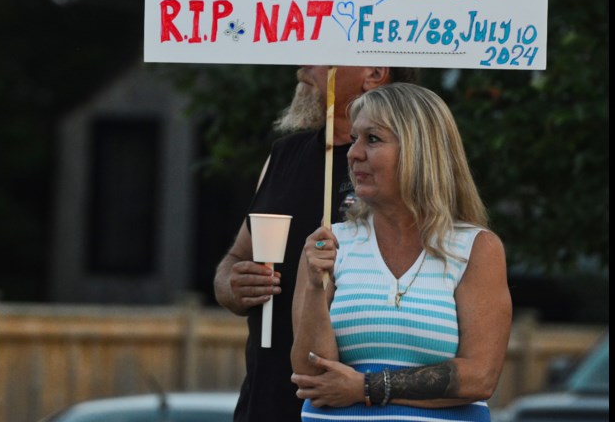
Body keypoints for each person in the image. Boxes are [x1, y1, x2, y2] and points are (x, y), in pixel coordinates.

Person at [290, 83, 512, 421]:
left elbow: (479, 377)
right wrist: (314, 286)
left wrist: (367, 387)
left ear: (420, 150)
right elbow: (313, 376)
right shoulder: (330, 243)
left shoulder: (476, 248)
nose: (353, 153)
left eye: (373, 139)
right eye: (354, 140)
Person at [214, 65, 419, 422]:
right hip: (266, 400)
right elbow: (235, 258)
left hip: (354, 406)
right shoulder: (284, 154)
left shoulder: (405, 169)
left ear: (374, 72)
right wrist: (233, 283)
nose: (302, 69)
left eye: (319, 56)